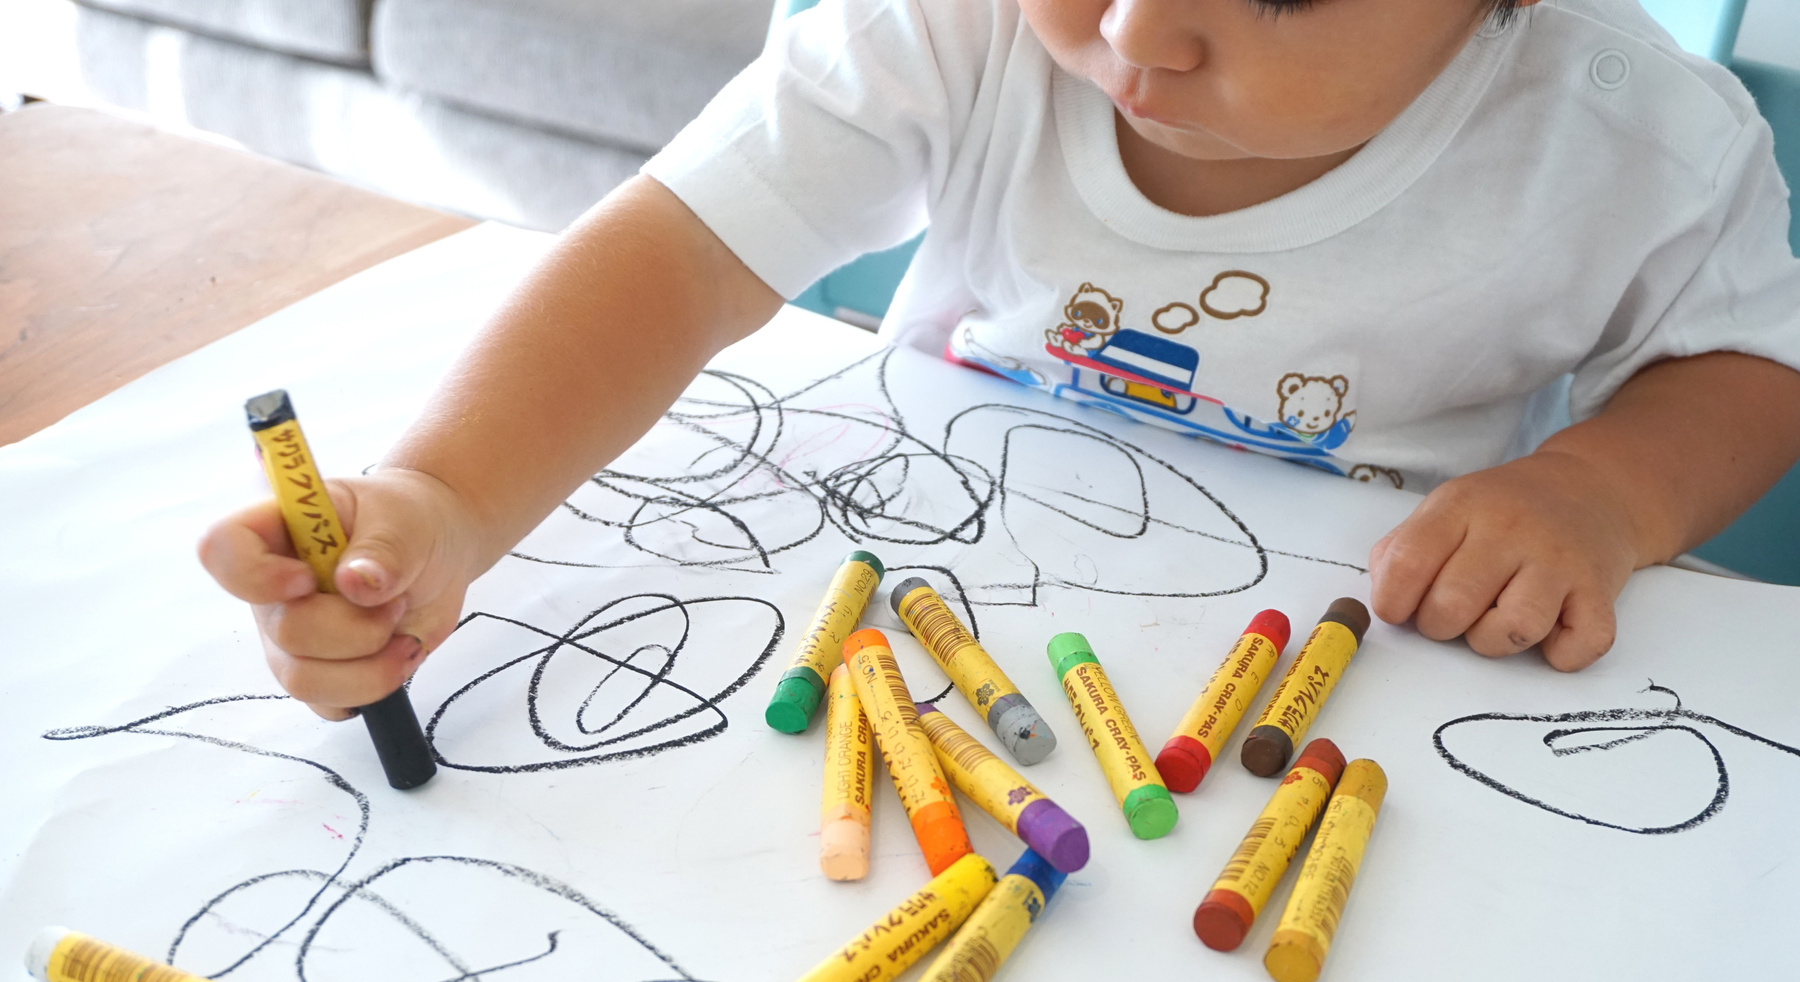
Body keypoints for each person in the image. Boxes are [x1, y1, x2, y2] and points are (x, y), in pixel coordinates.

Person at [200, 0, 1800, 719]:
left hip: (1358, 683)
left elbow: (1750, 367)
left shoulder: (1630, 139)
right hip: (934, 626)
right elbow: (679, 251)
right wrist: (446, 496)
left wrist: (1599, 489)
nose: (1139, 36)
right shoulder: (950, 24)